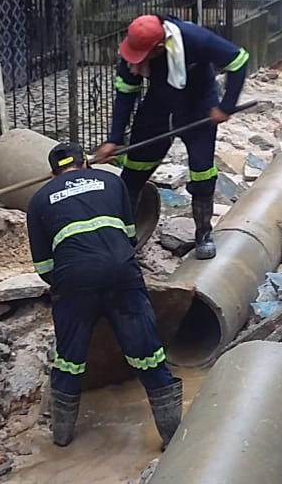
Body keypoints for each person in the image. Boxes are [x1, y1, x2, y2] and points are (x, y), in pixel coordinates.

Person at [27, 142, 183, 448]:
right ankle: (172, 435)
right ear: (86, 164)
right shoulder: (113, 182)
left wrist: (71, 290)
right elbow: (129, 237)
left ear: (52, 173)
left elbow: (44, 267)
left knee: (70, 358)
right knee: (147, 352)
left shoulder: (39, 200)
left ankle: (61, 436)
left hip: (74, 280)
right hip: (121, 274)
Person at [94, 13, 250, 260]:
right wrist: (114, 138)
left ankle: (203, 234)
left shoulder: (195, 39)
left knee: (202, 172)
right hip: (158, 106)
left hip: (198, 107)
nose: (136, 63)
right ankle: (124, 238)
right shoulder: (132, 54)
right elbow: (126, 95)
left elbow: (239, 60)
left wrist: (226, 106)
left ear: (158, 48)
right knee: (134, 171)